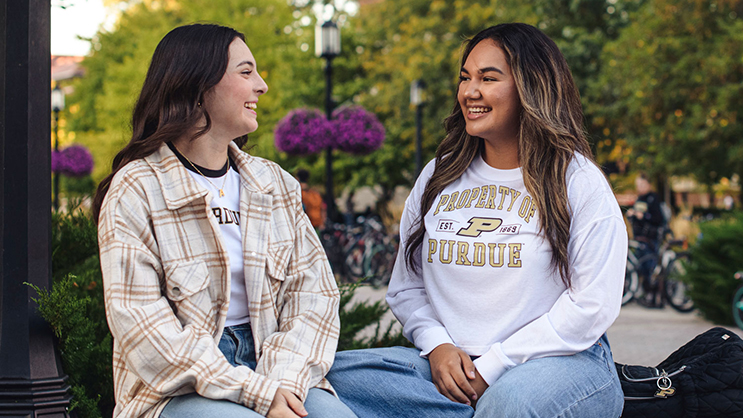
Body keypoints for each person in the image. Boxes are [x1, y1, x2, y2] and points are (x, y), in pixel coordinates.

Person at [326, 23, 626, 418]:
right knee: (331, 377)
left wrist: (494, 366)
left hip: (560, 363)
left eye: (488, 78)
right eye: (465, 78)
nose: (469, 92)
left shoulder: (577, 180)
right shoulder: (440, 176)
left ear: (531, 88)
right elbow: (406, 286)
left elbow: (591, 305)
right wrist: (437, 346)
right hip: (451, 367)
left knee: (510, 404)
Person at [92, 24, 356, 418]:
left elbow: (314, 297)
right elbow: (144, 330)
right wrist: (253, 393)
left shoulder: (274, 184)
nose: (262, 86)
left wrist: (279, 383)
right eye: (246, 72)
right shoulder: (138, 188)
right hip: (174, 390)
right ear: (198, 86)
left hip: (274, 363)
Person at [626, 172, 666, 307]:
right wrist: (632, 215)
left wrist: (644, 216)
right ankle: (645, 293)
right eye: (638, 185)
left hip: (650, 239)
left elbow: (658, 219)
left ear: (648, 184)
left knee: (650, 267)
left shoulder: (653, 198)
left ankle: (653, 297)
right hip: (639, 238)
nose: (640, 187)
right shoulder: (639, 199)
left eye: (642, 184)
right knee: (641, 267)